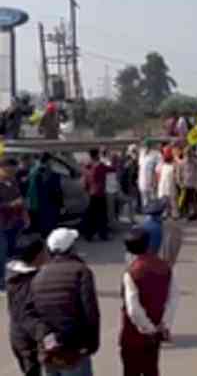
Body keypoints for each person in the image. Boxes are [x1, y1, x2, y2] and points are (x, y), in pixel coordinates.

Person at [32, 228, 99, 376]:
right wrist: (92, 344)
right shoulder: (81, 271)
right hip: (73, 349)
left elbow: (34, 314)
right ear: (72, 248)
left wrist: (44, 340)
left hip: (49, 349)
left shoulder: (39, 275)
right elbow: (90, 312)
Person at [120, 228, 179, 376]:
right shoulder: (164, 267)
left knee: (131, 370)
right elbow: (173, 298)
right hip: (156, 330)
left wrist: (147, 327)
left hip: (133, 333)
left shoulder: (132, 272)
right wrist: (164, 324)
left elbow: (133, 308)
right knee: (151, 369)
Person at [6, 238, 48, 376]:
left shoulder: (15, 278)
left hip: (19, 337)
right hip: (28, 342)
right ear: (37, 256)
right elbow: (27, 316)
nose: (47, 255)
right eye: (44, 252)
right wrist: (45, 336)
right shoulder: (27, 282)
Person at [0, 158, 30, 293]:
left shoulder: (12, 181)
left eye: (14, 170)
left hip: (11, 223)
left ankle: (6, 280)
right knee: (2, 252)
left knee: (9, 252)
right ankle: (1, 284)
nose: (13, 172)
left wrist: (25, 216)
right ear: (3, 167)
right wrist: (10, 205)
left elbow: (20, 200)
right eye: (11, 169)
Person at [25, 153, 63, 238]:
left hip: (40, 200)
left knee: (44, 220)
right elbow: (56, 188)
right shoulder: (49, 172)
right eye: (52, 160)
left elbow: (30, 186)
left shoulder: (34, 170)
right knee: (49, 219)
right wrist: (61, 203)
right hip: (49, 200)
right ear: (49, 160)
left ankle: (45, 235)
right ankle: (49, 236)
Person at [83, 148, 114, 242]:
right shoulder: (100, 166)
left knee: (91, 216)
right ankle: (103, 235)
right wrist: (110, 158)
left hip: (92, 194)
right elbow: (113, 169)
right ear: (97, 155)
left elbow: (85, 181)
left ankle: (89, 235)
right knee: (101, 216)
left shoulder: (88, 166)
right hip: (100, 194)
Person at [175, 148, 197, 221]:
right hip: (185, 185)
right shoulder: (182, 163)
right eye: (187, 154)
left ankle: (194, 214)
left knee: (194, 201)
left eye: (190, 154)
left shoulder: (195, 162)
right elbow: (178, 174)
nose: (189, 156)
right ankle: (186, 214)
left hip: (194, 184)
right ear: (185, 154)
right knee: (185, 201)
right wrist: (180, 183)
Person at [138, 141, 161, 209]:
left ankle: (153, 215)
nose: (145, 148)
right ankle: (146, 214)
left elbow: (158, 169)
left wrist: (155, 180)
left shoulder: (156, 155)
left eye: (147, 146)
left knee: (153, 199)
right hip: (142, 181)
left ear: (150, 146)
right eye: (144, 146)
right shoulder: (141, 154)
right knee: (144, 200)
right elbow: (140, 167)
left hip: (151, 181)